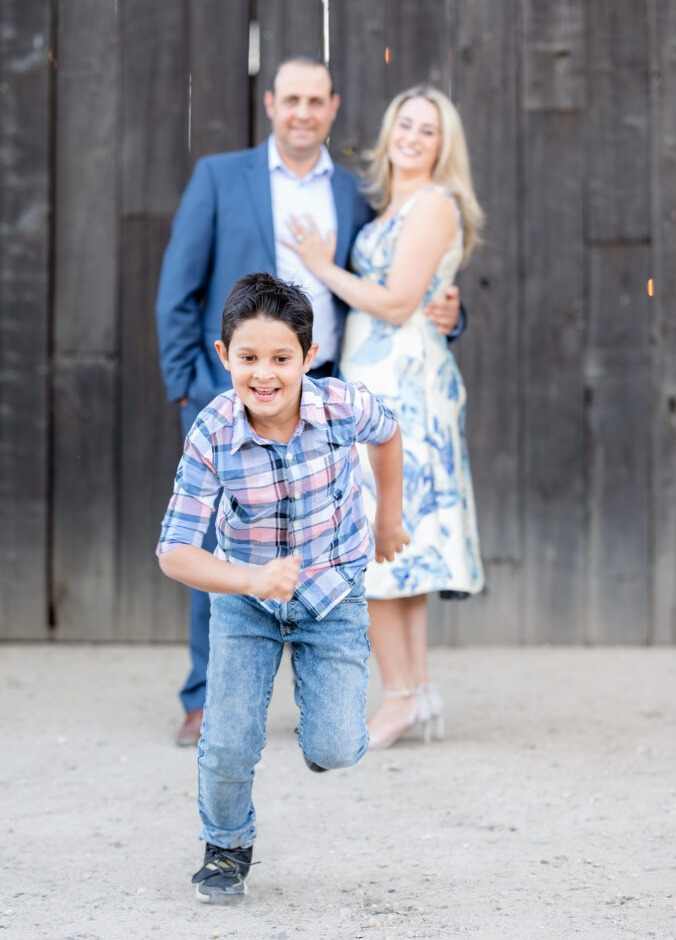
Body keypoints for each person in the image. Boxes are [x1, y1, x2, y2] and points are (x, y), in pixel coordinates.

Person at [155, 58, 465, 744]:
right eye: (289, 98)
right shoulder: (219, 176)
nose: (301, 111)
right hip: (238, 386)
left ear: (332, 107)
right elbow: (177, 289)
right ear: (270, 104)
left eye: (315, 101)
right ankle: (205, 699)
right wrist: (189, 387)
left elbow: (401, 281)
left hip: (326, 390)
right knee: (221, 541)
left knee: (326, 546)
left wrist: (451, 311)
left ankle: (325, 697)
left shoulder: (356, 193)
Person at [156, 273, 408, 901]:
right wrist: (250, 579)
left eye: (280, 358)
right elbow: (175, 552)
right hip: (246, 601)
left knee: (338, 747)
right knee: (229, 741)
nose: (263, 375)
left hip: (332, 592)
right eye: (247, 358)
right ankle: (226, 849)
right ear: (224, 357)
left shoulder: (341, 406)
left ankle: (322, 724)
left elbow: (390, 432)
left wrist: (387, 517)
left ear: (309, 355)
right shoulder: (212, 432)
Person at [284, 84, 485, 749]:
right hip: (380, 381)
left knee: (382, 541)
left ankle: (398, 698)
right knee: (391, 546)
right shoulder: (392, 205)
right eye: (405, 123)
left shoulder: (431, 205)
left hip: (406, 389)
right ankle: (415, 692)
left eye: (428, 130)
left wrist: (319, 266)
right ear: (387, 131)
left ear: (441, 144)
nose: (412, 137)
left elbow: (399, 302)